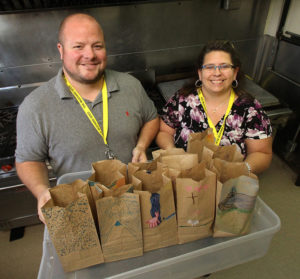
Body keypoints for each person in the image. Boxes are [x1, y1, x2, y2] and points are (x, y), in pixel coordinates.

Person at [15, 13, 159, 224]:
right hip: (80, 211)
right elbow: (28, 159)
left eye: (97, 46)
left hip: (135, 199)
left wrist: (141, 145)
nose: (90, 55)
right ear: (61, 50)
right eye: (78, 46)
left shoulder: (130, 85)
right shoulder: (35, 106)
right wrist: (41, 191)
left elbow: (151, 118)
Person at [156, 40, 272, 174]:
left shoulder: (250, 109)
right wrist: (172, 151)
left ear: (235, 72)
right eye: (209, 67)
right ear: (200, 73)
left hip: (230, 183)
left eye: (224, 66)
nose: (217, 73)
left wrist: (241, 169)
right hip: (185, 178)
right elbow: (164, 132)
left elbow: (262, 153)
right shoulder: (182, 100)